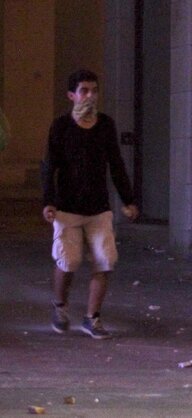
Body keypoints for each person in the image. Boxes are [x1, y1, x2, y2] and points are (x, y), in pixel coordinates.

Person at [41, 69, 139, 340]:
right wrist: (48, 202)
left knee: (105, 261)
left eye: (94, 90)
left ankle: (91, 317)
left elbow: (116, 164)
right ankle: (60, 306)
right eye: (84, 90)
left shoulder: (105, 125)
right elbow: (49, 166)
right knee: (68, 261)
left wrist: (128, 200)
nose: (90, 96)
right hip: (67, 209)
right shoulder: (61, 127)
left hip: (99, 209)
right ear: (71, 95)